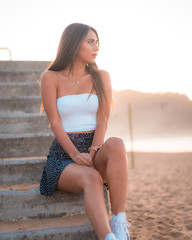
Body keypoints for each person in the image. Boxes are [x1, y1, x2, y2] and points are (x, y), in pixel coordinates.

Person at [40, 23, 131, 240]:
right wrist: (75, 154)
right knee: (91, 177)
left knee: (117, 143)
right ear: (73, 44)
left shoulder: (102, 77)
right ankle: (108, 238)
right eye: (90, 42)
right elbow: (55, 123)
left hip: (94, 149)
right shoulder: (50, 77)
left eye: (97, 42)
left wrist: (93, 150)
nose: (96, 47)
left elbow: (103, 118)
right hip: (64, 156)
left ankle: (119, 222)